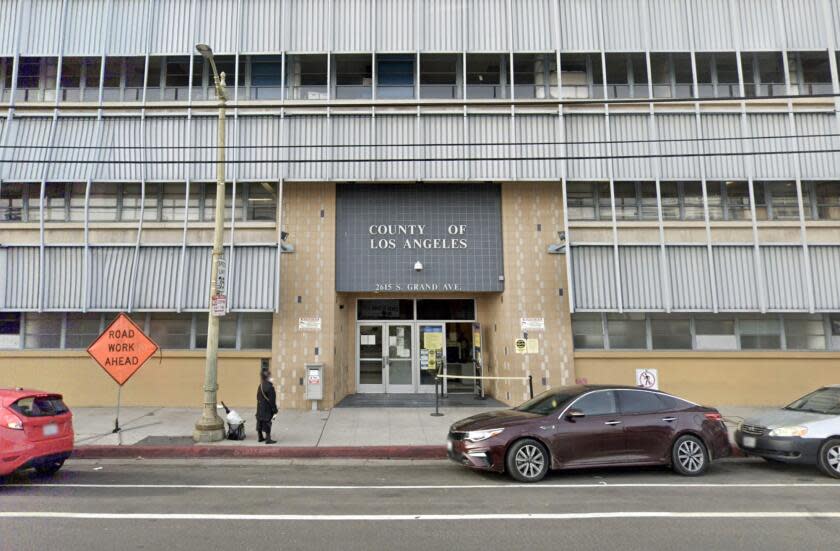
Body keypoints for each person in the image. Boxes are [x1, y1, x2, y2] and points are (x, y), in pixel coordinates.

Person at [256, 368, 278, 444]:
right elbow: (272, 401)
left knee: (259, 421)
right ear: (268, 377)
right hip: (267, 409)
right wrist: (275, 410)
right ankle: (268, 439)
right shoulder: (270, 387)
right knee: (267, 422)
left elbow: (257, 397)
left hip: (260, 408)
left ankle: (260, 437)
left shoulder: (260, 386)